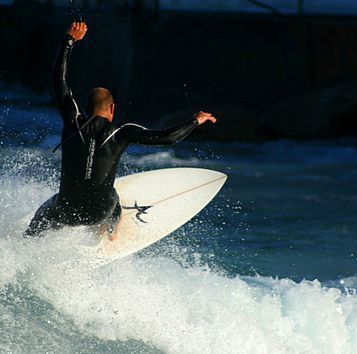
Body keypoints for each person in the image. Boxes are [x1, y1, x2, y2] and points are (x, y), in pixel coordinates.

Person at [25, 21, 217, 238]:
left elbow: (58, 78)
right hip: (98, 213)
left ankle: (26, 241)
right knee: (114, 196)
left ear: (86, 110)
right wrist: (195, 121)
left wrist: (69, 41)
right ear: (113, 108)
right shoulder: (123, 131)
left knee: (46, 210)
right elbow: (168, 138)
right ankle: (109, 231)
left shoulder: (72, 121)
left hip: (65, 210)